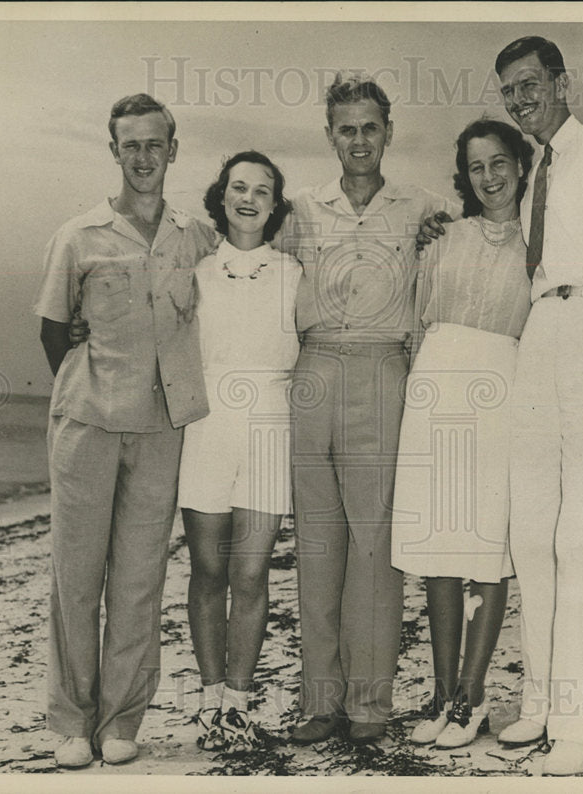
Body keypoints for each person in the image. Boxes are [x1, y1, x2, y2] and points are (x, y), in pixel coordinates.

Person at [419, 37, 583, 776]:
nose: (521, 98)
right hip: (539, 336)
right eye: (510, 90)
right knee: (532, 535)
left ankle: (580, 720)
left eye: (531, 84)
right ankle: (538, 702)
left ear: (562, 83)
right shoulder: (534, 175)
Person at [33, 93, 219, 768]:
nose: (143, 157)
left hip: (162, 429)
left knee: (139, 580)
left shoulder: (197, 237)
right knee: (76, 577)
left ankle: (120, 721)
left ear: (173, 150)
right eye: (130, 145)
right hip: (86, 425)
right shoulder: (78, 235)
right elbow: (55, 332)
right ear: (115, 152)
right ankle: (70, 724)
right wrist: (94, 384)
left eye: (154, 144)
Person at [275, 73, 457, 745]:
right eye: (346, 129)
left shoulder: (422, 207)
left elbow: (480, 243)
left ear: (389, 131)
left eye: (370, 127)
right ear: (329, 135)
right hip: (313, 369)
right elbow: (239, 269)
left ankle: (370, 707)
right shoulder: (297, 211)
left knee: (375, 547)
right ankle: (320, 703)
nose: (359, 140)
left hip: (383, 371)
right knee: (318, 546)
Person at [391, 118, 532, 750]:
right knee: (437, 552)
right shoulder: (443, 235)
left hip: (498, 395)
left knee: (483, 549)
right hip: (434, 388)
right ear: (464, 176)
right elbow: (414, 319)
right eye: (476, 167)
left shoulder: (540, 240)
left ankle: (471, 696)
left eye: (499, 163)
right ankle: (441, 692)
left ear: (521, 167)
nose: (489, 177)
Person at [179, 152, 300, 752]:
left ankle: (238, 704)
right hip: (206, 426)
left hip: (270, 427)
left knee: (251, 573)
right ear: (221, 197)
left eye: (262, 190)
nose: (248, 199)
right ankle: (207, 701)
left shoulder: (295, 274)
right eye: (238, 188)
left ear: (276, 205)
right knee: (208, 570)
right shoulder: (195, 273)